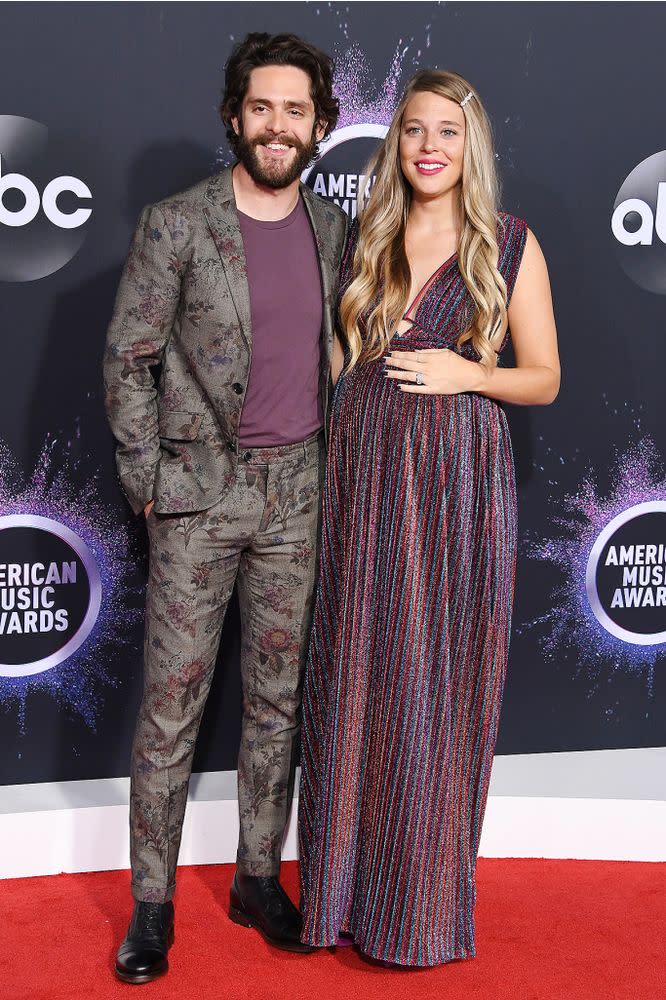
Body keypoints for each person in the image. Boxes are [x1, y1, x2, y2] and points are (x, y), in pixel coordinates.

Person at [298, 69, 560, 967]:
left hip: (455, 491)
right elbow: (336, 361)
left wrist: (471, 373)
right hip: (362, 483)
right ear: (395, 143)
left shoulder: (508, 244)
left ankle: (418, 916)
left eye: (446, 131)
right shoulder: (365, 237)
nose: (429, 147)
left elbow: (546, 377)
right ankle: (339, 899)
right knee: (353, 684)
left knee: (432, 690)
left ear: (469, 143)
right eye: (414, 130)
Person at [104, 32, 346, 983]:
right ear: (232, 117)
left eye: (295, 111)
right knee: (171, 711)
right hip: (198, 503)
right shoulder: (177, 225)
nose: (277, 126)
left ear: (320, 125)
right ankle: (152, 905)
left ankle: (255, 878)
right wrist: (152, 485)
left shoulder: (333, 229)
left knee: (277, 707)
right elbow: (129, 358)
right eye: (261, 108)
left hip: (300, 498)